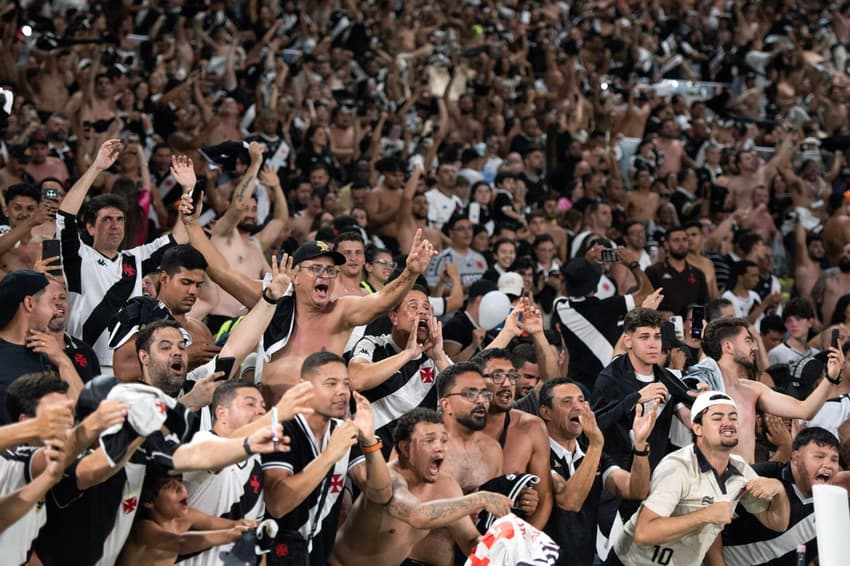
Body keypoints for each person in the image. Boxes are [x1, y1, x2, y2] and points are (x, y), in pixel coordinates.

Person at [179, 192, 436, 405]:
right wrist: (191, 224)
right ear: (296, 276)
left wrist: (410, 273)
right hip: (270, 417)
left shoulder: (342, 312)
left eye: (330, 271)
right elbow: (223, 272)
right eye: (316, 269)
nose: (325, 275)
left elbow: (383, 300)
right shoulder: (275, 299)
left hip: (320, 420)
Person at [609, 391, 790, 566]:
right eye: (718, 418)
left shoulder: (740, 469)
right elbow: (644, 533)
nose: (728, 423)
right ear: (697, 428)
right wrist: (705, 515)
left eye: (733, 417)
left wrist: (779, 492)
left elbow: (777, 523)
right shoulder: (677, 467)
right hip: (632, 562)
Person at [58, 140, 191, 370]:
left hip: (128, 367)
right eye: (106, 220)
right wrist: (96, 167)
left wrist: (188, 190)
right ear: (90, 227)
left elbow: (178, 238)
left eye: (120, 220)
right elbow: (65, 216)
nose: (115, 226)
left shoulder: (135, 259)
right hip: (83, 363)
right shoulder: (78, 257)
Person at [331, 408, 512, 566]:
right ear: (405, 448)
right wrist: (480, 499)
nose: (439, 448)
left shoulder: (446, 486)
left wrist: (501, 550)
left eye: (443, 441)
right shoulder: (388, 478)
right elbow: (417, 515)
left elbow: (469, 539)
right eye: (429, 441)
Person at [261, 351, 392, 566]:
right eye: (331, 384)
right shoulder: (279, 430)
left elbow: (381, 494)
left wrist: (369, 441)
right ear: (304, 386)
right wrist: (330, 455)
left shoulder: (343, 431)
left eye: (346, 384)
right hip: (274, 556)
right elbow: (277, 504)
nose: (342, 392)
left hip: (318, 557)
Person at [541, 378, 656, 565]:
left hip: (585, 558)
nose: (577, 407)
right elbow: (569, 502)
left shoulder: (593, 455)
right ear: (546, 412)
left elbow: (636, 490)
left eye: (581, 400)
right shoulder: (539, 453)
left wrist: (641, 446)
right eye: (567, 402)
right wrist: (595, 444)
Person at [407, 362, 510, 566]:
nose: (481, 401)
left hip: (474, 556)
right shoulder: (418, 446)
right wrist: (470, 503)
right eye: (470, 394)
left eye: (484, 394)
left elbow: (492, 515)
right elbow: (406, 512)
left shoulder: (492, 450)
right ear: (446, 404)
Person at [700, 318, 843, 463]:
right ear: (728, 347)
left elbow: (804, 410)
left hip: (748, 480)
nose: (755, 347)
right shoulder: (702, 387)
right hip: (711, 477)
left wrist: (831, 377)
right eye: (748, 340)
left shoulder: (754, 389)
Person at [348, 287, 452, 456]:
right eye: (413, 307)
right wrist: (407, 354)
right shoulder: (373, 344)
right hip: (372, 456)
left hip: (422, 458)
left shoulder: (435, 354)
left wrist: (439, 356)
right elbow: (356, 379)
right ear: (394, 317)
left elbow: (463, 397)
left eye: (427, 308)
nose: (422, 313)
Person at [723, 426, 844, 566]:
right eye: (819, 456)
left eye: (834, 460)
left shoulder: (833, 506)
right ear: (796, 458)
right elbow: (711, 528)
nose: (828, 465)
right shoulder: (762, 475)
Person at [109, 244, 219, 381]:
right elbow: (123, 372)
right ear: (164, 279)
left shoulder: (201, 331)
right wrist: (186, 357)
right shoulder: (141, 317)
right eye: (186, 282)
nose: (193, 291)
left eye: (198, 285)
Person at [475, 348, 553, 529]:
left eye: (511, 376)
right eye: (497, 376)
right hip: (460, 542)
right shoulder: (457, 426)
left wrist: (523, 545)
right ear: (477, 382)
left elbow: (544, 498)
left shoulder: (531, 427)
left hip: (508, 542)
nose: (507, 383)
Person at [553, 256, 656, 391]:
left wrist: (585, 260)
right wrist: (632, 263)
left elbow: (565, 290)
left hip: (577, 387)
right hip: (607, 386)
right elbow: (647, 293)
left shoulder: (560, 307)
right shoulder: (608, 307)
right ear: (595, 285)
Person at [0, 270, 84, 423]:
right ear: (29, 303)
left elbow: (81, 412)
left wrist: (63, 361)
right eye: (50, 302)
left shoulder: (51, 352)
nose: (55, 310)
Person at [117, 474, 254, 565]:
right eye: (169, 486)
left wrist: (251, 526)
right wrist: (228, 536)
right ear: (150, 502)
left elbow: (231, 524)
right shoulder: (143, 528)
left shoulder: (186, 517)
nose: (181, 488)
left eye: (180, 482)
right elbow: (180, 543)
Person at [645, 226, 709, 316]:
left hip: (691, 326)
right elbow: (646, 303)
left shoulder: (698, 273)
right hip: (663, 326)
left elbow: (705, 304)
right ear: (666, 244)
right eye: (676, 240)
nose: (681, 243)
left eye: (684, 240)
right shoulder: (654, 271)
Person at [425, 213, 487, 291]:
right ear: (451, 233)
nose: (467, 232)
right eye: (461, 229)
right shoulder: (440, 258)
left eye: (470, 228)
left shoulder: (480, 258)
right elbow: (431, 288)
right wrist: (461, 290)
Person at [442, 279, 497, 361]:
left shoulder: (487, 326)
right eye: (494, 301)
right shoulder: (455, 326)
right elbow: (447, 364)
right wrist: (473, 346)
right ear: (480, 299)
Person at [767, 298, 819, 366]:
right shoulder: (776, 354)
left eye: (798, 319)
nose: (794, 324)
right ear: (785, 324)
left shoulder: (817, 355)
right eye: (789, 320)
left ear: (810, 322)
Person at [333, 230, 368, 298]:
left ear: (364, 259)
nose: (353, 258)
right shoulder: (327, 292)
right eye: (347, 253)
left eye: (358, 253)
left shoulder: (367, 295)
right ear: (336, 260)